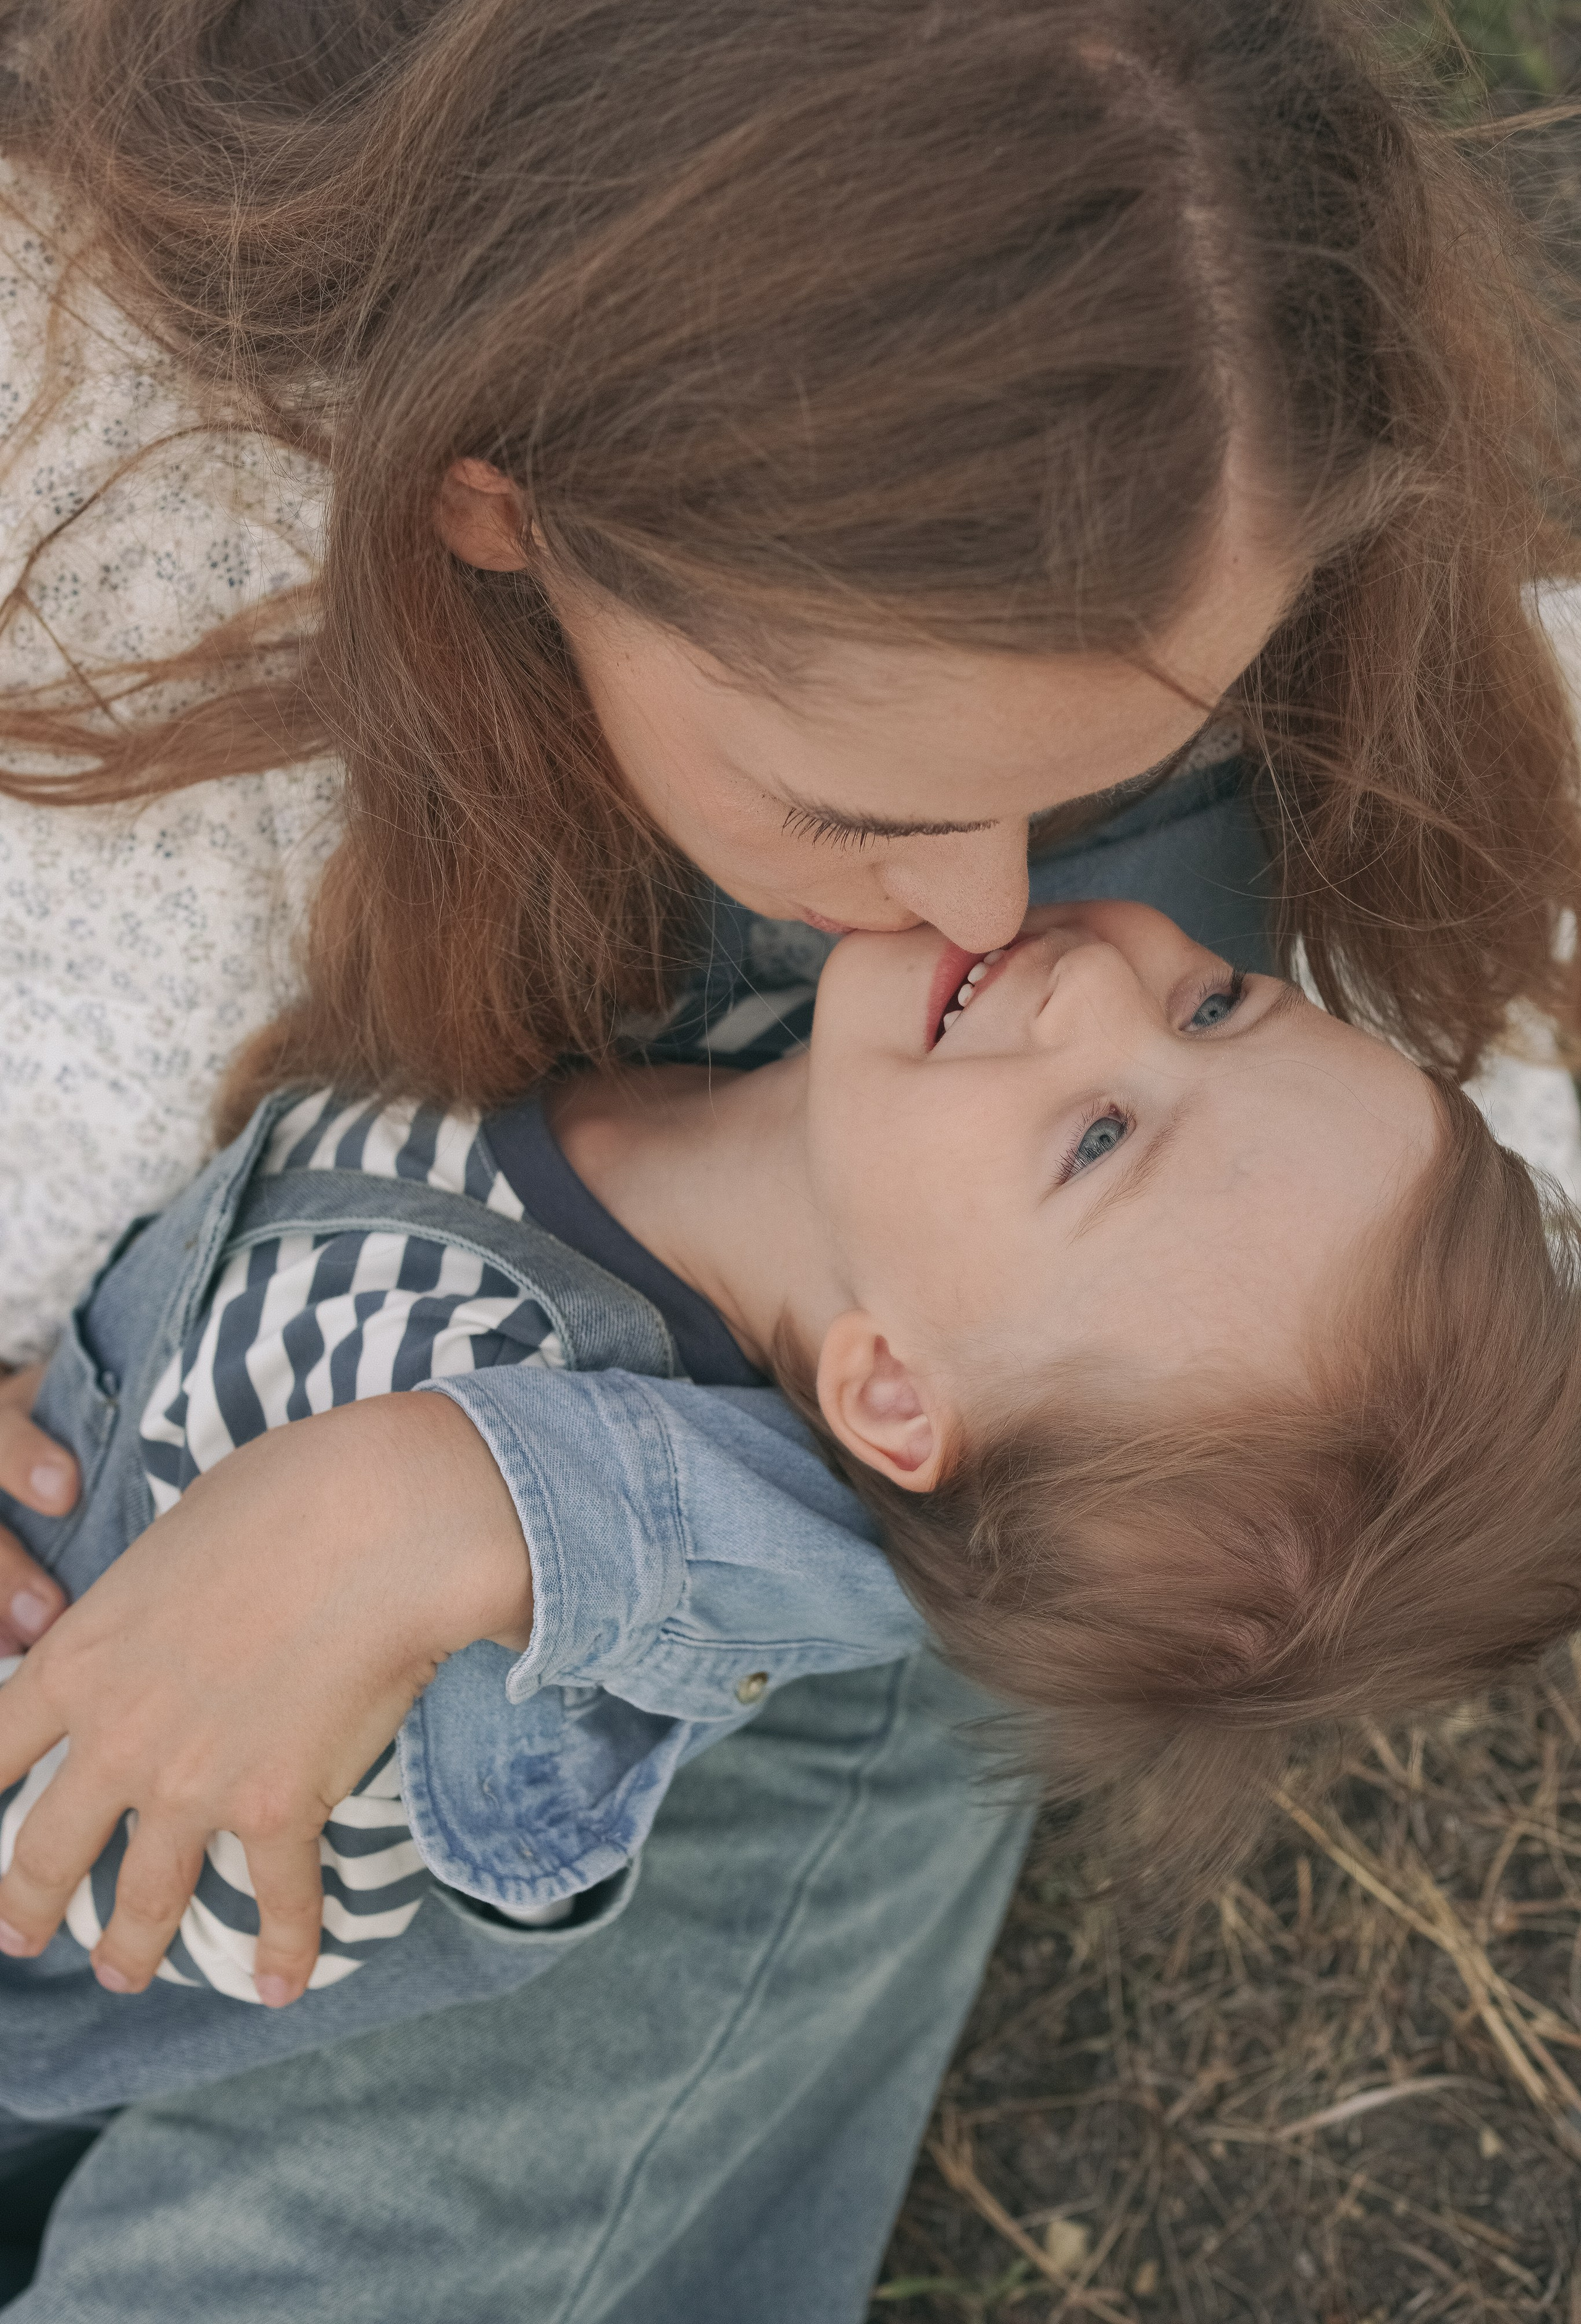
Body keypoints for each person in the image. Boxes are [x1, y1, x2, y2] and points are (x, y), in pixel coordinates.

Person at [0, 0, 1579, 2314]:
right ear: (500, 513)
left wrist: (547, 1513)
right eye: (870, 807)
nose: (1015, 917)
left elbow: (1274, 1443)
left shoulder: (1159, 382)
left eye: (1082, 793)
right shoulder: (143, 638)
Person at [4, 895, 1581, 2126]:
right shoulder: (767, 1032)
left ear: (892, 1395)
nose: (1099, 983)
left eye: (1096, 1140)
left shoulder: (452, 1427)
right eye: (1219, 1004)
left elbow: (167, 1877)